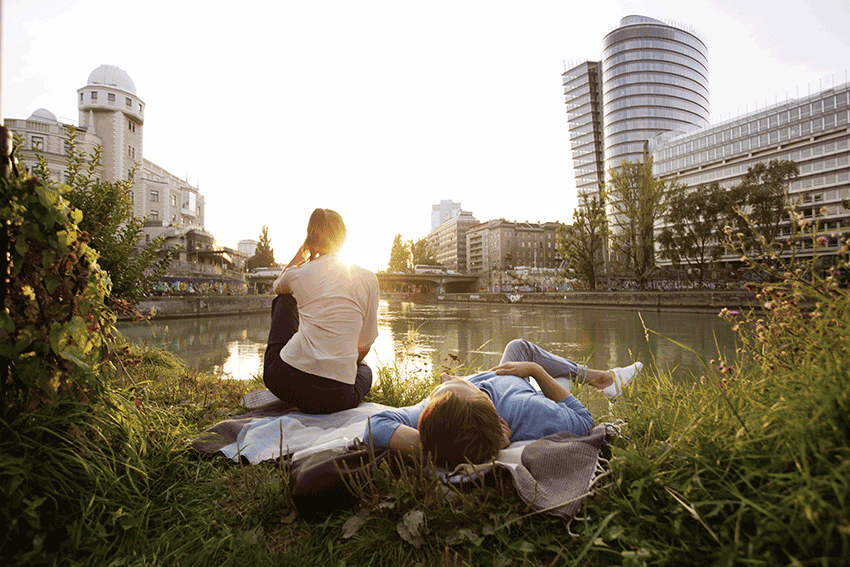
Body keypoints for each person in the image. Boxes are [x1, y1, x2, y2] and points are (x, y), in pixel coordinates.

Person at [365, 339, 643, 469]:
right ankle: (605, 380)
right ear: (478, 398)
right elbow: (585, 421)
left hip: (503, 374)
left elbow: (374, 426)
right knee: (529, 354)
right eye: (450, 382)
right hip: (526, 384)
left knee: (515, 347)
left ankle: (601, 379)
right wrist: (535, 370)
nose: (445, 376)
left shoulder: (440, 415)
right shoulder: (526, 409)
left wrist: (438, 444)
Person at [263, 208, 379, 414]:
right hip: (337, 398)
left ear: (311, 239)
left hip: (285, 382)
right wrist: (337, 367)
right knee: (365, 369)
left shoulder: (297, 274)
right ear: (344, 238)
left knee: (284, 297)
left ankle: (290, 362)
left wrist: (303, 250)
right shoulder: (369, 278)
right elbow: (364, 346)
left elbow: (278, 285)